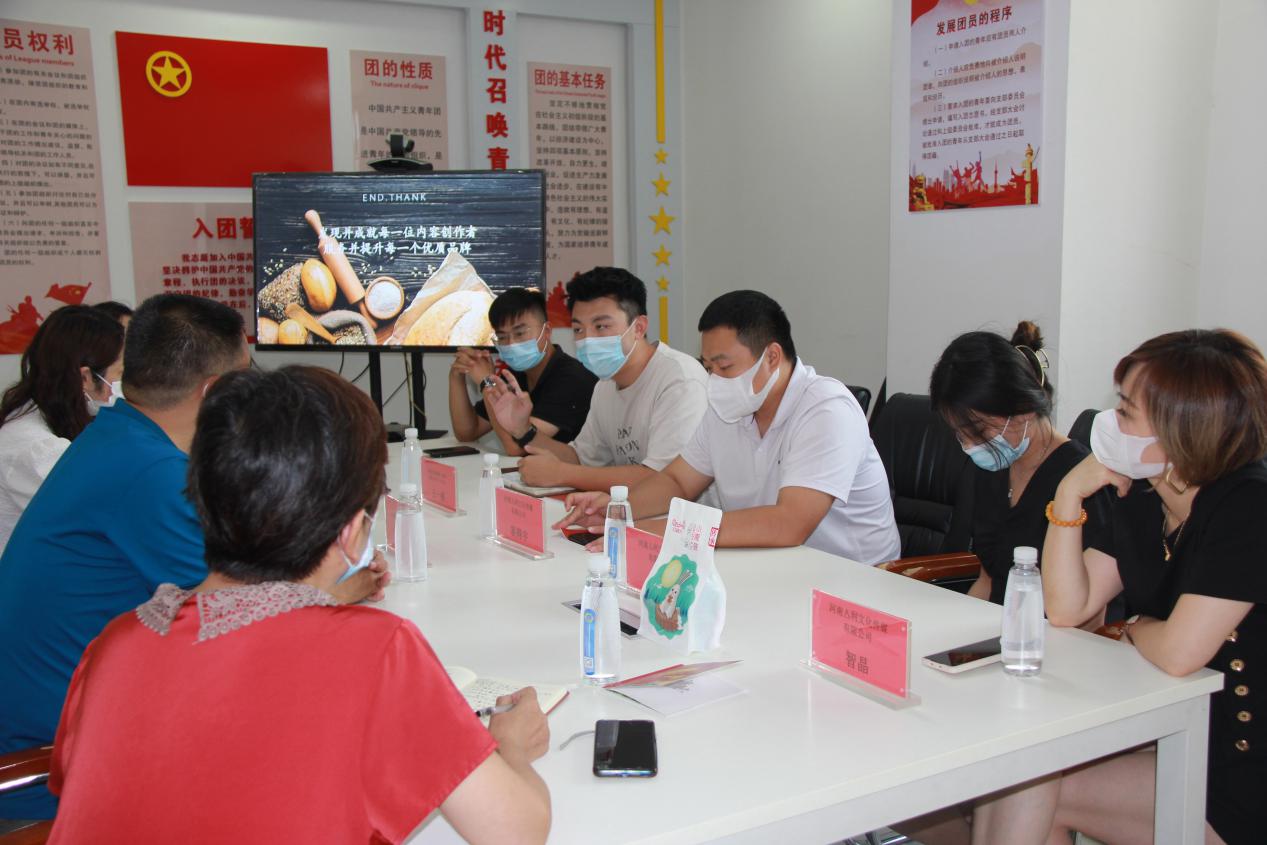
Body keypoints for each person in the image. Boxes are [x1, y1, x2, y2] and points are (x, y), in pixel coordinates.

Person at [45, 367, 551, 844]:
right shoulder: (374, 650)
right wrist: (510, 749)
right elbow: (515, 831)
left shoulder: (115, 643)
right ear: (353, 533)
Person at [0, 294, 385, 821]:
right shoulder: (148, 473)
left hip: (78, 728)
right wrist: (336, 589)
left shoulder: (118, 438)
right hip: (59, 772)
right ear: (216, 392)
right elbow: (252, 621)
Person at [971, 329, 1267, 845]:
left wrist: (1134, 626)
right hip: (1182, 732)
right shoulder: (1145, 496)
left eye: (1126, 411)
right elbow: (1068, 609)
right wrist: (1069, 493)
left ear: (1183, 427)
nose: (1110, 421)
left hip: (1242, 765)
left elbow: (1179, 652)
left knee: (1034, 780)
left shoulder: (1248, 506)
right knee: (1022, 767)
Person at [556, 290, 900, 564]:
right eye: (709, 367)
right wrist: (620, 513)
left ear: (772, 357)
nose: (715, 380)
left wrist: (664, 530)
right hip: (768, 566)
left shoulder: (826, 409)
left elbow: (789, 523)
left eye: (724, 367)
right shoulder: (728, 406)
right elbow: (678, 481)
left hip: (855, 582)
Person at [928, 321, 1111, 605]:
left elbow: (1090, 612)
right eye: (959, 433)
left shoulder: (1082, 482)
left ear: (1023, 409)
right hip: (997, 625)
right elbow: (988, 581)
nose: (970, 445)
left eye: (978, 429)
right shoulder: (991, 469)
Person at [516, 267, 709, 493]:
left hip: (682, 513)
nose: (587, 339)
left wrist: (561, 473)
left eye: (601, 326)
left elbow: (663, 480)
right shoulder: (605, 385)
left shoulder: (680, 380)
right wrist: (522, 429)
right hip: (628, 508)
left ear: (638, 328)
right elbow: (580, 458)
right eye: (578, 329)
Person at [0, 306, 124, 553]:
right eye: (122, 373)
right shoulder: (33, 447)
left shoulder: (56, 415)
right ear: (85, 378)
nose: (128, 384)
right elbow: (105, 517)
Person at [448, 287, 596, 456]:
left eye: (519, 333)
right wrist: (457, 375)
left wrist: (487, 383)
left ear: (546, 331)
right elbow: (467, 432)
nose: (511, 343)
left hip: (573, 472)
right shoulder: (516, 374)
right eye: (502, 337)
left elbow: (517, 447)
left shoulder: (572, 379)